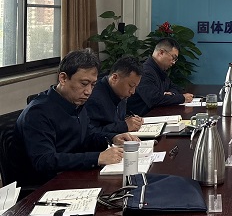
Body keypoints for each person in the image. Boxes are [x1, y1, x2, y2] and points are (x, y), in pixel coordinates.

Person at [16, 48, 137, 184]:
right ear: (63, 78)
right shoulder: (38, 112)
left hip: (75, 173)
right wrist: (97, 158)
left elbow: (87, 137)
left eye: (93, 85)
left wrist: (112, 138)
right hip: (48, 184)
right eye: (84, 84)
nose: (88, 91)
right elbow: (44, 160)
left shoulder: (75, 102)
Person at [127, 38, 194, 115]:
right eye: (173, 58)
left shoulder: (160, 70)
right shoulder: (145, 72)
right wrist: (182, 98)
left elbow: (174, 87)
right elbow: (154, 99)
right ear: (161, 52)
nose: (174, 62)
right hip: (143, 117)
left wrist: (171, 94)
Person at [86, 55, 144, 133]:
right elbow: (90, 133)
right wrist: (124, 126)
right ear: (114, 78)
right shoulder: (94, 97)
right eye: (131, 86)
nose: (132, 91)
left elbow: (116, 119)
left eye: (135, 87)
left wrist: (130, 119)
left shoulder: (119, 92)